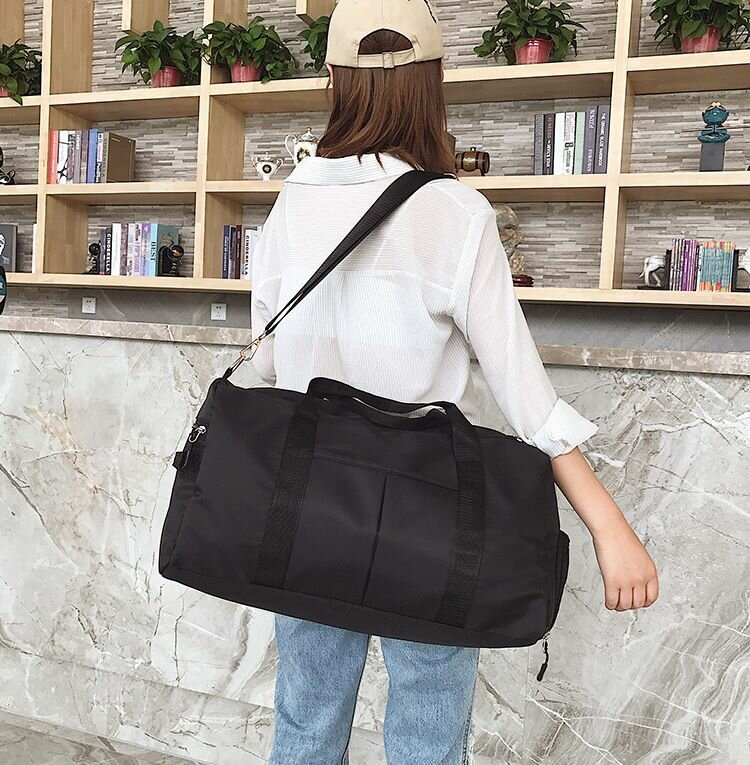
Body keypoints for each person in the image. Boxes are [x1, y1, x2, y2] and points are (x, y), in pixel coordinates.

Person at [250, 1, 659, 762]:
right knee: (428, 737)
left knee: (305, 724)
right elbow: (525, 396)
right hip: (427, 514)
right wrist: (608, 526)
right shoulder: (456, 213)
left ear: (334, 78)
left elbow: (269, 364)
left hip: (311, 505)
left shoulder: (293, 201)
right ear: (433, 81)